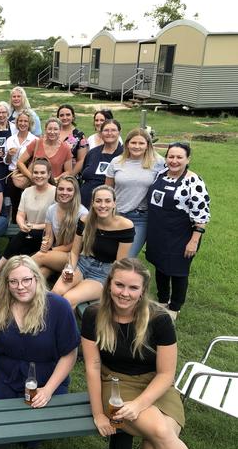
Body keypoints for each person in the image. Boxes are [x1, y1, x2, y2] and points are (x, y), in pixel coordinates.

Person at [81, 258, 193, 449]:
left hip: (157, 385)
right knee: (160, 431)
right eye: (119, 285)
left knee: (154, 445)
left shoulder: (159, 319)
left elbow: (166, 374)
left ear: (143, 291)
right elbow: (93, 366)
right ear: (109, 285)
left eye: (133, 288)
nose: (125, 293)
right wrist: (98, 414)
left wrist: (139, 404)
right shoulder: (94, 315)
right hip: (116, 383)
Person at [0, 256, 79, 404]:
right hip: (4, 377)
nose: (20, 287)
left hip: (47, 380)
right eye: (13, 281)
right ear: (6, 284)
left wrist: (48, 390)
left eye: (26, 280)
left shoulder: (59, 307)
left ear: (37, 278)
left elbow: (70, 354)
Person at [146, 142, 210, 317]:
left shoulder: (194, 181)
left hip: (181, 235)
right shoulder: (160, 174)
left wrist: (194, 241)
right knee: (160, 266)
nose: (174, 161)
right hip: (158, 232)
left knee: (178, 271)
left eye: (179, 157)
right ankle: (162, 300)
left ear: (188, 159)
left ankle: (174, 307)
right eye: (171, 156)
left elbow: (201, 216)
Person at [52, 185, 134, 307]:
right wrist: (69, 268)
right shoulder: (85, 220)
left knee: (69, 299)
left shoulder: (125, 226)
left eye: (107, 201)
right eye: (98, 201)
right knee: (55, 294)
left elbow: (119, 263)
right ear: (93, 203)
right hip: (82, 264)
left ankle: (63, 325)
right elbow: (74, 252)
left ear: (114, 203)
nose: (102, 205)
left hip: (103, 273)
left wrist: (113, 284)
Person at [0, 159, 56, 279]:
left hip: (48, 236)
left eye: (42, 173)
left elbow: (55, 222)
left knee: (21, 239)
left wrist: (32, 226)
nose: (39, 176)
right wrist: (22, 224)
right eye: (36, 172)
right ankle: (9, 275)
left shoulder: (55, 192)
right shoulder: (27, 191)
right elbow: (20, 214)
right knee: (23, 242)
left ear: (48, 174)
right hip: (28, 233)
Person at [105, 128, 164, 257]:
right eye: (133, 143)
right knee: (109, 254)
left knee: (126, 257)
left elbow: (176, 172)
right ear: (127, 144)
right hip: (116, 215)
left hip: (140, 217)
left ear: (148, 145)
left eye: (141, 143)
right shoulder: (116, 162)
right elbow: (107, 190)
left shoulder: (158, 163)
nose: (137, 146)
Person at [33, 176, 88, 278]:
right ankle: (18, 288)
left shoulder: (82, 213)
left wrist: (51, 251)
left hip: (75, 257)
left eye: (69, 190)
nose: (64, 192)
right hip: (57, 253)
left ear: (75, 192)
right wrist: (46, 245)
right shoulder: (51, 209)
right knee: (41, 272)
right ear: (56, 190)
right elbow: (49, 236)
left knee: (40, 256)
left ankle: (8, 280)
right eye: (61, 189)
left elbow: (75, 246)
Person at [80, 119, 124, 208]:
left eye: (113, 130)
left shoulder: (124, 155)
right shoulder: (92, 153)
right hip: (84, 203)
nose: (109, 133)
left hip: (106, 206)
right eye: (106, 130)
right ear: (101, 133)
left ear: (119, 132)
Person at [4, 109, 38, 222]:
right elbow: (7, 161)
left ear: (30, 123)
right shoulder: (10, 139)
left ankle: (29, 228)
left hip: (28, 176)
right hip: (13, 175)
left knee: (29, 204)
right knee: (15, 204)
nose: (23, 123)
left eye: (25, 121)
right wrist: (9, 154)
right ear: (17, 123)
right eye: (20, 121)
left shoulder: (35, 140)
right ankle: (14, 228)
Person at [16, 117, 72, 181]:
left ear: (60, 131)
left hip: (54, 186)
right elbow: (20, 162)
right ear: (45, 130)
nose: (52, 132)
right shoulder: (36, 143)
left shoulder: (65, 149)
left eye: (55, 129)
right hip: (34, 184)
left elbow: (68, 171)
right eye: (49, 129)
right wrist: (31, 177)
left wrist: (55, 180)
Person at [57, 104, 87, 176]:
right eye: (61, 115)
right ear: (57, 117)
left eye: (68, 115)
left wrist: (70, 176)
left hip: (72, 176)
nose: (65, 117)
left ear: (73, 117)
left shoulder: (80, 135)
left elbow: (82, 160)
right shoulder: (53, 133)